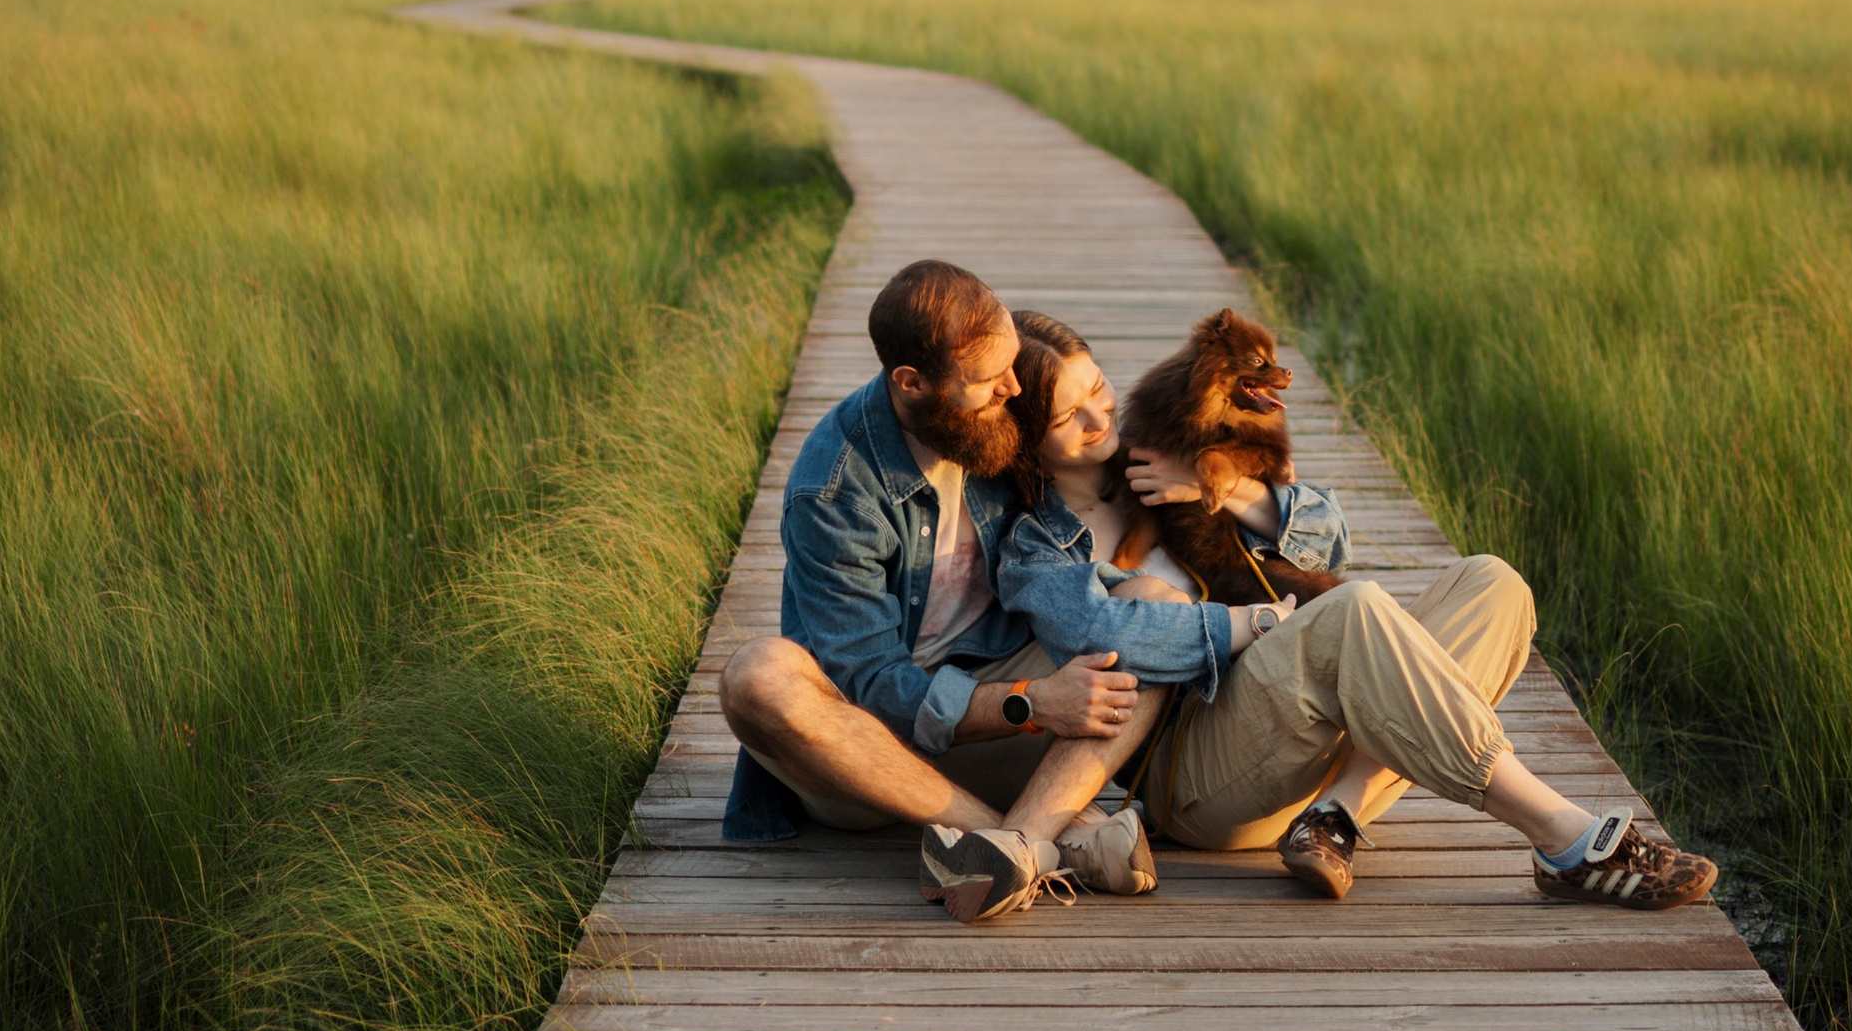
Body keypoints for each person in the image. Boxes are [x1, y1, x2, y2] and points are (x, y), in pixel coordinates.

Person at [999, 311, 1718, 909]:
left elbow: (1330, 533)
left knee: (1493, 584)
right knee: (1356, 612)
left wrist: (1224, 490)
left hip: (1306, 739)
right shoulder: (1037, 543)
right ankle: (1564, 835)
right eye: (1069, 415)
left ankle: (1334, 814)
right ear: (1025, 436)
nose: (1100, 416)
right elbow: (1109, 636)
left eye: (1099, 388)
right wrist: (1261, 626)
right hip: (1201, 777)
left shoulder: (1172, 452)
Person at [716, 257, 1171, 925]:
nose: (1014, 389)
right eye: (990, 380)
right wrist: (1031, 701)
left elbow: (1103, 453)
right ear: (912, 382)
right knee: (756, 676)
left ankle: (1010, 848)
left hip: (991, 717)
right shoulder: (835, 487)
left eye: (1013, 364)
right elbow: (874, 685)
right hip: (868, 754)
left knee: (1152, 606)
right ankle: (1041, 843)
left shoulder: (1001, 414)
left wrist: (1236, 488)